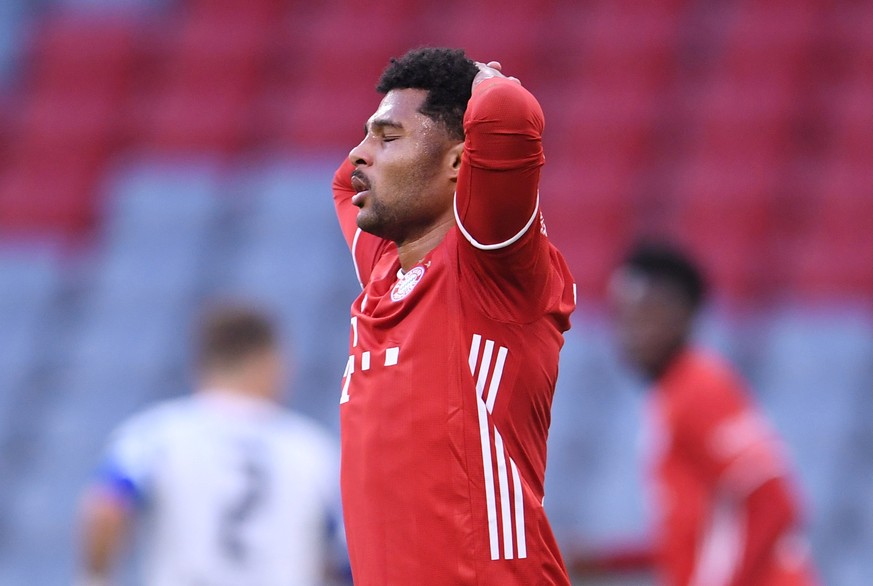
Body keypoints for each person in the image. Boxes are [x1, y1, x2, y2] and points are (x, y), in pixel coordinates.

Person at [332, 47, 576, 585]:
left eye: (388, 137)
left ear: (461, 162)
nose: (359, 155)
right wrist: (388, 130)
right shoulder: (385, 270)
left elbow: (509, 114)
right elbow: (343, 185)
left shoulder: (492, 265)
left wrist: (484, 85)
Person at [591, 242, 818, 585]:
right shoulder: (671, 397)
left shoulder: (699, 387)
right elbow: (700, 541)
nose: (630, 334)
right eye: (622, 317)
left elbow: (775, 502)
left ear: (683, 313)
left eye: (645, 313)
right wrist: (607, 562)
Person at [77, 304, 347, 586]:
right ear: (270, 361)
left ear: (202, 361)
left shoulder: (156, 434)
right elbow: (344, 553)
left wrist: (95, 579)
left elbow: (107, 505)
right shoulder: (313, 450)